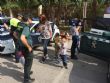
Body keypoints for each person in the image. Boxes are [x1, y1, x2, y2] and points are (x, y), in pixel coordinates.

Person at [20, 16, 35, 83]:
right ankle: (26, 80)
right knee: (28, 64)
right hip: (26, 48)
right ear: (28, 19)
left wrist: (19, 42)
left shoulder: (20, 25)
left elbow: (15, 34)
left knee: (27, 64)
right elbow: (22, 38)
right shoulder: (26, 27)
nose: (32, 21)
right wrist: (28, 47)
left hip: (22, 47)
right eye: (31, 19)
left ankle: (27, 77)